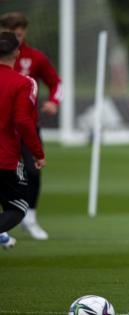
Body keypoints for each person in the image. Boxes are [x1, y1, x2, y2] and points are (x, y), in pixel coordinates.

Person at [0, 12, 62, 240]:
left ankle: (31, 219)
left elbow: (56, 83)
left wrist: (54, 102)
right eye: (10, 30)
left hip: (24, 130)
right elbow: (21, 119)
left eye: (19, 31)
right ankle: (10, 221)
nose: (15, 34)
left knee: (32, 173)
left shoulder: (36, 57)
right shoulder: (20, 76)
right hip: (15, 129)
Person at [0, 31, 47, 249]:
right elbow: (23, 121)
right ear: (17, 53)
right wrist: (38, 153)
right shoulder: (24, 83)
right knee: (18, 207)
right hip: (5, 157)